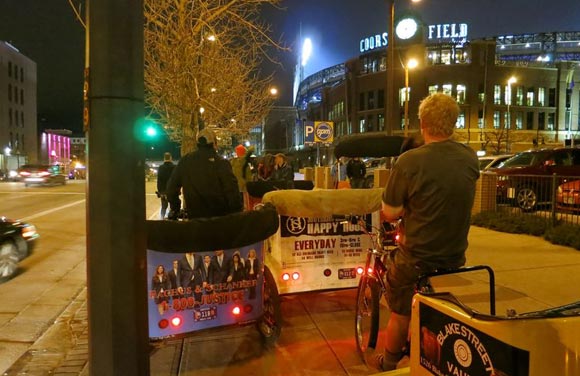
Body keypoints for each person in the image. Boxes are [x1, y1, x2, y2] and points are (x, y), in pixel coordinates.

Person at [375, 93, 480, 371]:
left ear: (422, 123)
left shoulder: (409, 161)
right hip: (455, 258)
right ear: (453, 123)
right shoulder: (469, 158)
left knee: (399, 310)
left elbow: (391, 211)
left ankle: (389, 362)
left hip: (417, 258)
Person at [166, 128, 242, 219]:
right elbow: (232, 192)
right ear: (214, 144)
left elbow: (171, 188)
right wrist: (235, 214)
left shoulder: (186, 161)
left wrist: (175, 208)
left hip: (194, 219)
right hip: (219, 221)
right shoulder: (221, 163)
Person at [230, 144, 255, 210]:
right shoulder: (243, 161)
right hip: (243, 186)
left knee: (243, 203)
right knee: (245, 204)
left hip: (239, 186)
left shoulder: (236, 161)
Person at [156, 152, 176, 219]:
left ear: (164, 158)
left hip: (164, 191)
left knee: (164, 207)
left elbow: (159, 181)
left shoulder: (161, 167)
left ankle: (162, 219)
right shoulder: (174, 167)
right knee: (173, 208)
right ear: (171, 158)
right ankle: (173, 221)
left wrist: (160, 191)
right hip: (172, 191)